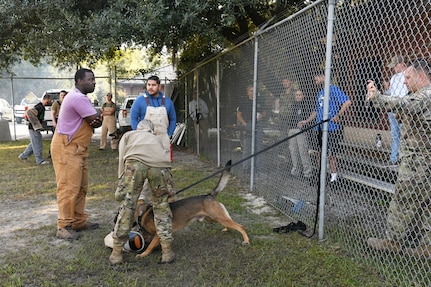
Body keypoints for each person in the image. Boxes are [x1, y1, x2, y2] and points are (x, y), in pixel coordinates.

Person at [366, 58, 431, 258]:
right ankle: (426, 245)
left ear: (421, 76)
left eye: (408, 77)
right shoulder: (420, 94)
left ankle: (392, 241)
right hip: (419, 159)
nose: (404, 82)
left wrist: (377, 97)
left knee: (402, 200)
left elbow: (404, 105)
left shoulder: (426, 94)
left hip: (418, 161)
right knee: (425, 203)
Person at [109, 119, 175, 265]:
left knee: (127, 207)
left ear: (138, 128)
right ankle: (167, 252)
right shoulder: (156, 139)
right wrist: (169, 191)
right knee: (162, 207)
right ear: (151, 131)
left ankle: (117, 254)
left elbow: (122, 160)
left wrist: (122, 188)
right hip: (159, 167)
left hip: (135, 163)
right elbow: (165, 162)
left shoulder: (129, 135)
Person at [50, 68, 103, 240]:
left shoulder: (80, 97)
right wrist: (98, 116)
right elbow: (95, 121)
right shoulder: (77, 98)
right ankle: (64, 225)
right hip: (67, 147)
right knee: (68, 188)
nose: (93, 82)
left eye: (94, 79)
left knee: (81, 187)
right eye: (90, 79)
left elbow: (96, 120)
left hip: (78, 148)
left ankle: (78, 221)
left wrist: (97, 117)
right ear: (79, 81)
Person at [130, 75, 176, 203]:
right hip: (146, 140)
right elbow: (133, 118)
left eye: (153, 85)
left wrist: (169, 134)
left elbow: (173, 119)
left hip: (163, 139)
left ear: (159, 86)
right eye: (149, 85)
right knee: (145, 168)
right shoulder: (140, 101)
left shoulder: (167, 102)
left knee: (165, 168)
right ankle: (142, 197)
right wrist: (139, 133)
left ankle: (168, 194)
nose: (150, 87)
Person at [298, 74, 351, 183]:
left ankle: (333, 178)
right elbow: (316, 110)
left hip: (331, 128)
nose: (315, 80)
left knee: (332, 154)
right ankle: (321, 176)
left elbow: (347, 102)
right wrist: (307, 121)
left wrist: (338, 115)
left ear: (324, 77)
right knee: (319, 152)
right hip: (319, 128)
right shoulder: (320, 93)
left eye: (316, 77)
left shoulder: (333, 89)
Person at [383, 55, 408, 166]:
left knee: (404, 134)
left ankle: (403, 159)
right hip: (392, 109)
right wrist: (387, 88)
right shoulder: (393, 77)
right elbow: (390, 94)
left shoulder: (407, 75)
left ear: (402, 64)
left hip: (402, 109)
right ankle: (394, 159)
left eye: (395, 66)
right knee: (395, 135)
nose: (393, 68)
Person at [237, 85, 266, 170]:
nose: (253, 93)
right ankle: (246, 166)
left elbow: (264, 113)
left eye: (254, 91)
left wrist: (261, 115)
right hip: (248, 124)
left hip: (258, 124)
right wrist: (245, 124)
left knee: (259, 146)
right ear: (248, 92)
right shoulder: (244, 102)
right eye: (251, 91)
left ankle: (258, 166)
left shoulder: (260, 101)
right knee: (247, 146)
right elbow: (239, 115)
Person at [18, 93, 53, 165]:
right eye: (50, 100)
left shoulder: (42, 107)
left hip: (34, 129)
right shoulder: (39, 107)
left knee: (34, 143)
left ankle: (23, 156)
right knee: (37, 144)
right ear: (47, 99)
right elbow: (29, 112)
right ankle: (39, 160)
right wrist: (36, 125)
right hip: (33, 128)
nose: (51, 101)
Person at [288, 89, 313, 178]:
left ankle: (307, 173)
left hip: (301, 131)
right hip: (292, 129)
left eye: (300, 95)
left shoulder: (306, 105)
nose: (298, 96)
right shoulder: (293, 105)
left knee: (302, 151)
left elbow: (308, 119)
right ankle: (295, 171)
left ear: (303, 96)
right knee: (293, 151)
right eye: (296, 95)